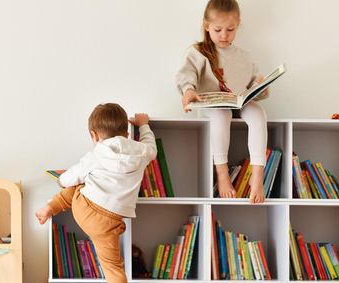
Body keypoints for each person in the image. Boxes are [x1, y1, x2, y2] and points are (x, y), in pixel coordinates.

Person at [35, 103, 157, 283]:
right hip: (109, 223)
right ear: (128, 133)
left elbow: (71, 177)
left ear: (94, 135)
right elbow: (151, 146)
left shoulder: (96, 155)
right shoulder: (142, 152)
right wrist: (144, 124)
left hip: (83, 208)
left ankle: (49, 208)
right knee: (113, 268)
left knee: (77, 185)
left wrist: (61, 180)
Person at [176, 0, 268, 203]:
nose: (224, 35)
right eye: (218, 30)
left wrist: (261, 87)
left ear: (238, 26)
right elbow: (186, 74)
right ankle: (222, 173)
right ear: (207, 26)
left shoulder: (244, 56)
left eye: (230, 29)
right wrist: (189, 90)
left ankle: (257, 175)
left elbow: (253, 85)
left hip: (237, 101)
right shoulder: (198, 52)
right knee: (222, 113)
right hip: (212, 106)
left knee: (258, 113)